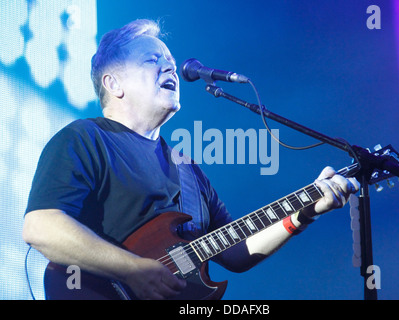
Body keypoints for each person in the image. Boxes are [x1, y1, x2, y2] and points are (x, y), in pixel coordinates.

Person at [22, 19, 360, 300]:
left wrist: (304, 211)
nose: (169, 65)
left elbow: (234, 252)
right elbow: (41, 226)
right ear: (114, 83)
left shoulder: (186, 168)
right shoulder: (85, 139)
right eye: (152, 60)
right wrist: (132, 269)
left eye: (169, 60)